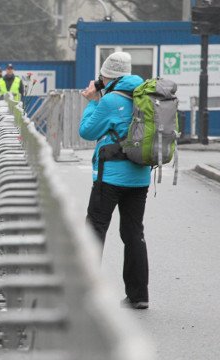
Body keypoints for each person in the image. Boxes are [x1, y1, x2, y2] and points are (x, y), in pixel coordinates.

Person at [78, 51, 150, 310]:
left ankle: (86, 293)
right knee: (133, 233)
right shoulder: (144, 96)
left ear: (106, 75)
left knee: (95, 230)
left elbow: (86, 131)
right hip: (140, 177)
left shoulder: (110, 100)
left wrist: (93, 101)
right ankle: (139, 295)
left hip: (109, 178)